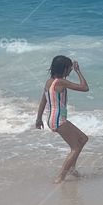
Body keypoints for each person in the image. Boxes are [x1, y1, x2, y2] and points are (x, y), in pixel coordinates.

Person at [36, 55, 89, 183]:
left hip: (53, 118)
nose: (70, 71)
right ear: (64, 69)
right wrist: (78, 71)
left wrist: (38, 118)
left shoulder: (49, 82)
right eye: (70, 69)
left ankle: (71, 169)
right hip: (59, 119)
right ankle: (60, 177)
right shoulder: (61, 82)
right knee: (75, 147)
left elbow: (43, 100)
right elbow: (85, 88)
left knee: (83, 139)